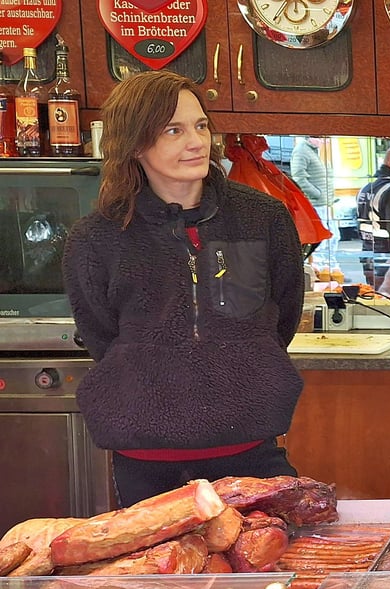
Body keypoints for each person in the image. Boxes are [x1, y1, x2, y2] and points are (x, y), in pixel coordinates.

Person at [61, 71, 305, 507]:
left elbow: (281, 316)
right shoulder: (97, 236)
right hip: (147, 463)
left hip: (252, 452)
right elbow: (101, 335)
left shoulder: (262, 218)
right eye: (174, 130)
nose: (197, 142)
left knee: (269, 569)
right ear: (134, 143)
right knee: (167, 572)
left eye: (201, 126)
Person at [356, 147, 390, 289]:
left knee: (372, 296)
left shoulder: (366, 188)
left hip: (367, 256)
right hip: (386, 259)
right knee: (386, 300)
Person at [290, 136, 333, 224]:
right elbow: (298, 178)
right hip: (315, 204)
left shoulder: (314, 151)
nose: (324, 142)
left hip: (323, 203)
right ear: (310, 137)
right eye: (321, 139)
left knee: (334, 236)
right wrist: (316, 194)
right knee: (326, 236)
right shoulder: (301, 151)